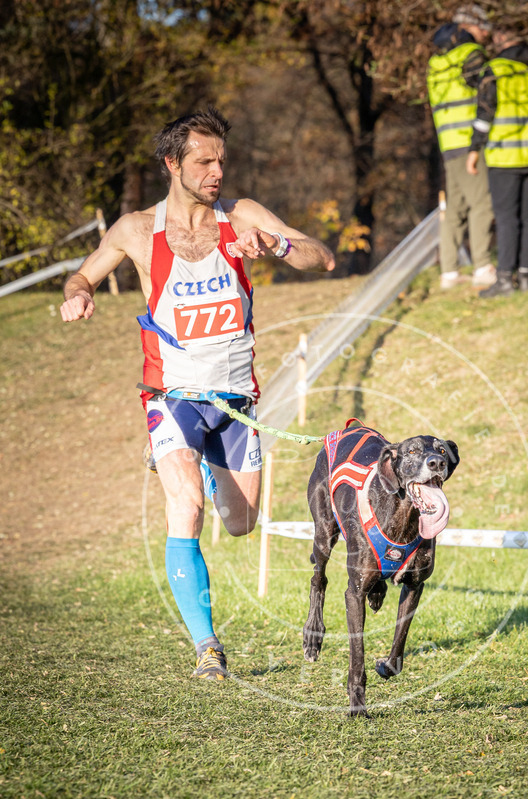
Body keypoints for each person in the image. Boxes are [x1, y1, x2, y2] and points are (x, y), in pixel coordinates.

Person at [60, 107, 335, 681]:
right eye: (204, 162)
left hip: (235, 401)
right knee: (186, 508)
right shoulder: (137, 230)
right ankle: (208, 647)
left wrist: (278, 246)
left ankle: (200, 461)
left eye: (221, 161)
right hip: (171, 394)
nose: (217, 172)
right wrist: (78, 294)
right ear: (172, 164)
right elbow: (83, 275)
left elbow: (323, 257)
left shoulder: (242, 215)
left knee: (240, 522)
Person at [466, 14, 528, 297]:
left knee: (507, 218)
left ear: (500, 37)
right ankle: (526, 277)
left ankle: (505, 279)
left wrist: (474, 149)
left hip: (504, 158)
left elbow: (485, 114)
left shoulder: (496, 70)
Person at [427, 4, 496, 290]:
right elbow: (487, 97)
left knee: (455, 209)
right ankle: (482, 267)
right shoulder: (470, 56)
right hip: (470, 143)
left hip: (448, 145)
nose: (486, 34)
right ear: (468, 27)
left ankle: (449, 272)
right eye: (483, 27)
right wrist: (479, 140)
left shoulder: (437, 63)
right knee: (482, 203)